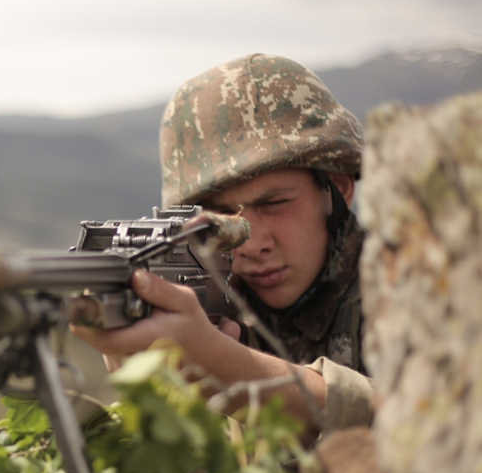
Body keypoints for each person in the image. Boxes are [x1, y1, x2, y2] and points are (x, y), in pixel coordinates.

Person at [71, 54, 373, 440]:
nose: (252, 242)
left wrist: (225, 367)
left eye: (274, 204)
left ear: (338, 189)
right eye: (222, 217)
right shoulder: (218, 307)